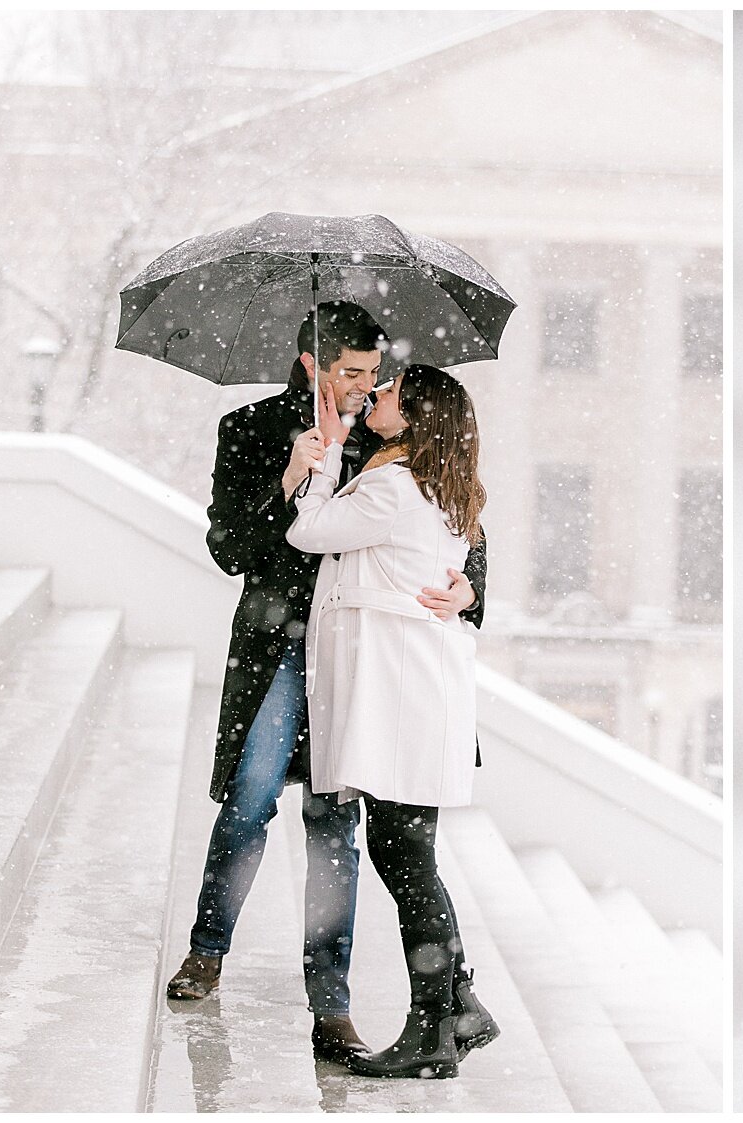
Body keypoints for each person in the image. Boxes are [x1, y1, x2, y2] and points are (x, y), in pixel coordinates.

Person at [166, 303, 489, 1068]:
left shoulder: (399, 441)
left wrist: (469, 591)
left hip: (368, 660)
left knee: (334, 826)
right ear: (312, 364)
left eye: (375, 377)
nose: (364, 387)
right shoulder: (249, 429)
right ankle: (208, 950)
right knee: (248, 801)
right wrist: (292, 475)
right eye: (350, 373)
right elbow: (231, 547)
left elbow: (466, 530)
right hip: (282, 648)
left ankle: (332, 1005)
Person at [284, 363, 498, 1079]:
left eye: (389, 389)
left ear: (413, 414)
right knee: (410, 854)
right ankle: (455, 1001)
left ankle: (433, 1029)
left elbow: (309, 533)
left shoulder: (393, 484)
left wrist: (316, 466)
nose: (375, 395)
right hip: (419, 691)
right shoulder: (442, 486)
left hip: (401, 696)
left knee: (405, 858)